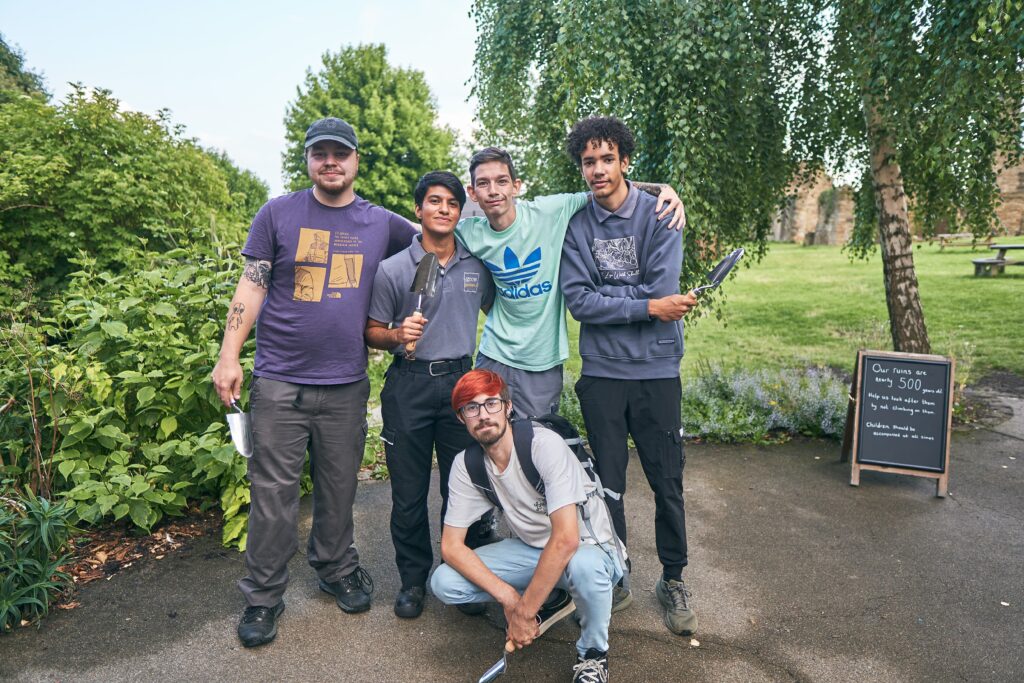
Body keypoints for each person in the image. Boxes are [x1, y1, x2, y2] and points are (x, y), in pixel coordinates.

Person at [211, 117, 417, 648]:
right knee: (272, 492)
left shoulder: (381, 223)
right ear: (307, 160)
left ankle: (335, 567)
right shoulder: (278, 214)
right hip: (280, 381)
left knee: (339, 486)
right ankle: (262, 596)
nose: (331, 161)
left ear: (355, 161)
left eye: (340, 153)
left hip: (346, 383)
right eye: (320, 153)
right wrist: (228, 355)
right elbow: (252, 285)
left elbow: (441, 236)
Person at [560, 115, 699, 637]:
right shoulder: (577, 226)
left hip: (657, 370)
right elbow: (579, 302)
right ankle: (618, 574)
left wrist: (617, 298)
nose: (597, 170)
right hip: (602, 373)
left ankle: (674, 577)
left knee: (668, 481)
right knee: (608, 485)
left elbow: (662, 285)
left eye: (606, 159)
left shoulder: (661, 213)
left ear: (624, 161)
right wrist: (644, 303)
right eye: (588, 161)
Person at [456, 148, 686, 418]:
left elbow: (606, 187)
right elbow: (426, 233)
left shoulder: (550, 211)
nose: (493, 190)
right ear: (472, 193)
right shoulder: (468, 232)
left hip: (542, 360)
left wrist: (661, 188)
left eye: (502, 181)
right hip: (493, 354)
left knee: (535, 442)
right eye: (483, 183)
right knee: (486, 434)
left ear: (516, 186)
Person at [431, 370, 623, 682]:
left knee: (583, 565)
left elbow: (565, 540)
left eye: (491, 404)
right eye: (471, 408)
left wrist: (522, 615)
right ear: (460, 418)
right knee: (445, 582)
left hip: (589, 549)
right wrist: (510, 598)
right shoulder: (467, 466)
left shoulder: (542, 446)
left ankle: (593, 655)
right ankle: (551, 596)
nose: (483, 415)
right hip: (533, 550)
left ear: (507, 407)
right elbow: (451, 547)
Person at [364, 171, 497, 619]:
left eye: (451, 204)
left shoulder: (476, 266)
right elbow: (372, 331)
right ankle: (414, 581)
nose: (443, 209)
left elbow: (502, 309)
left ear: (460, 213)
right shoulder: (394, 269)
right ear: (418, 209)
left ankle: (463, 578)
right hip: (410, 385)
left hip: (462, 385)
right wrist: (398, 334)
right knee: (408, 494)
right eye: (434, 202)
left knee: (466, 489)